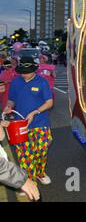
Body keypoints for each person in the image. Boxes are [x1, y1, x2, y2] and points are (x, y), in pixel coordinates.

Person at [2, 56, 53, 185]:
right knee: (25, 154)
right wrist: (9, 107)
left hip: (41, 123)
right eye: (23, 72)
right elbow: (11, 100)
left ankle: (40, 172)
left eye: (28, 72)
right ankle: (29, 180)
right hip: (21, 125)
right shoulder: (15, 82)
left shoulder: (42, 82)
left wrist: (35, 112)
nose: (25, 75)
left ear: (34, 70)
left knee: (41, 150)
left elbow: (49, 102)